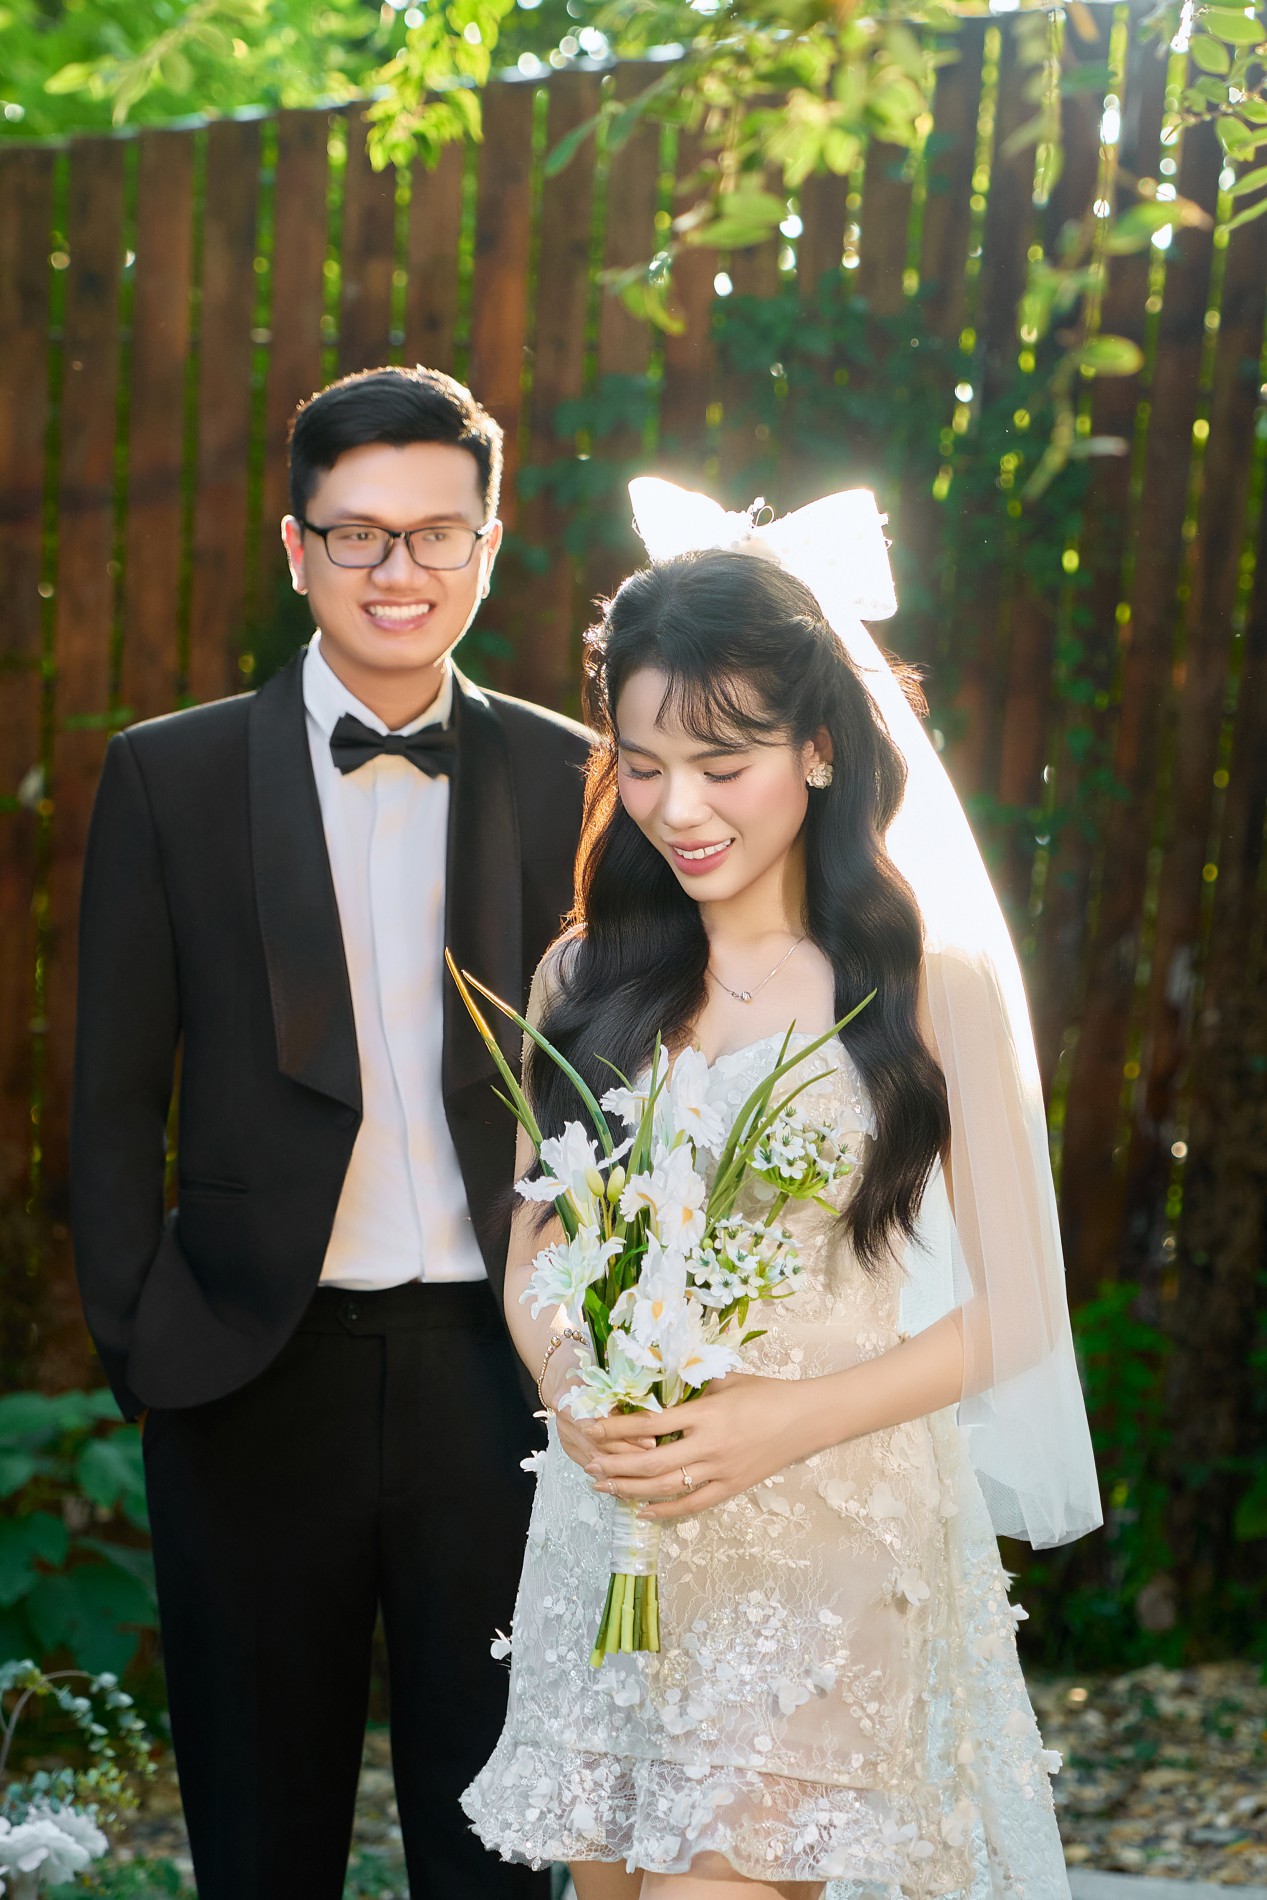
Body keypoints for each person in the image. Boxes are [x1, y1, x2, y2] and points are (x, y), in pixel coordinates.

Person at [461, 483, 1102, 1900]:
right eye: (641, 766)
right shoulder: (585, 976)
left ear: (818, 747)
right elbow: (535, 1249)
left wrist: (778, 1422)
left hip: (827, 1534)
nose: (678, 808)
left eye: (722, 762)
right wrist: (573, 1384)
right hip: (616, 1532)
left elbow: (1018, 1312)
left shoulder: (928, 983)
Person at [70, 365, 589, 1900]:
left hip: (501, 1376)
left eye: (435, 534)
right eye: (357, 534)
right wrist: (144, 1341)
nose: (396, 570)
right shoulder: (167, 776)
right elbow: (110, 1101)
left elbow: (617, 1082)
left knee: (500, 1850)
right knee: (258, 1843)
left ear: (489, 546)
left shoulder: (575, 774)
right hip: (248, 1374)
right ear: (296, 548)